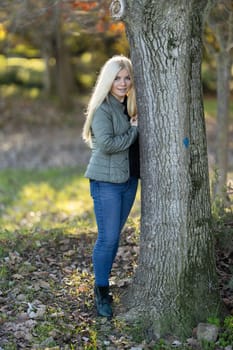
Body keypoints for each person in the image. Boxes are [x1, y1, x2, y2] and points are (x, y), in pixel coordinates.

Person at [82, 55, 140, 318]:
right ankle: (101, 290)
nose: (122, 82)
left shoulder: (127, 105)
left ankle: (103, 281)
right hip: (106, 182)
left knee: (114, 235)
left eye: (127, 77)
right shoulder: (103, 109)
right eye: (117, 77)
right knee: (108, 238)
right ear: (108, 79)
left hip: (127, 181)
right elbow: (107, 144)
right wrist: (134, 130)